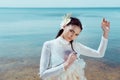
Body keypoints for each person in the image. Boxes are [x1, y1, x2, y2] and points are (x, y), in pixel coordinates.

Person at [39, 13, 110, 80]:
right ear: (64, 26)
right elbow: (43, 75)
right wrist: (66, 64)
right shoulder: (49, 45)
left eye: (76, 34)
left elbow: (99, 54)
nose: (72, 36)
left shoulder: (76, 46)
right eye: (71, 31)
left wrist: (105, 32)